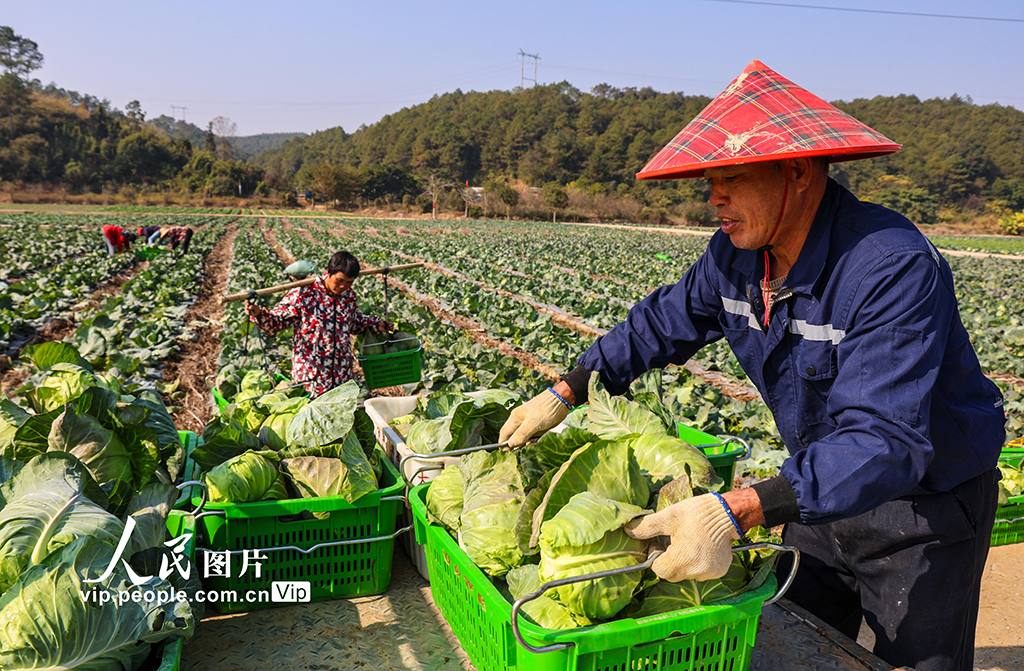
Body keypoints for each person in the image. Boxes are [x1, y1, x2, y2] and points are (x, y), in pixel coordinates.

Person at [499, 60, 1004, 671]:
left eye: (732, 177)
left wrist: (736, 511)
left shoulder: (888, 265)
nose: (715, 197)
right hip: (813, 487)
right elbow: (661, 322)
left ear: (796, 171)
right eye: (711, 179)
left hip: (922, 505)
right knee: (798, 643)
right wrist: (570, 387)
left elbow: (886, 440)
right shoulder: (736, 257)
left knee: (918, 662)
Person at [244, 250, 393, 396]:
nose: (343, 287)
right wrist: (258, 313)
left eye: (349, 282)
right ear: (328, 272)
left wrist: (375, 324)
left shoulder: (348, 296)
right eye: (339, 281)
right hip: (312, 378)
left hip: (342, 375)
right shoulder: (304, 294)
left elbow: (354, 323)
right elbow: (276, 323)